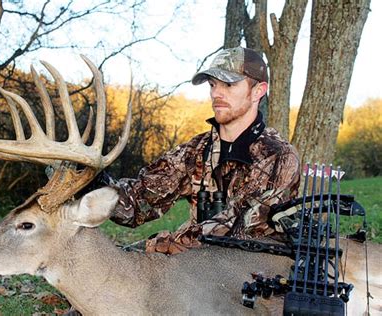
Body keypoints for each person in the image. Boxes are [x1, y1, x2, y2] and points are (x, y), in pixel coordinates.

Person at [108, 46, 300, 255]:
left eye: (228, 84)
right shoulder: (197, 150)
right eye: (212, 84)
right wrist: (94, 186)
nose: (216, 93)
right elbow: (139, 201)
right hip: (194, 272)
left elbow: (235, 231)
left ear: (258, 91)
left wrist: (153, 247)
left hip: (251, 277)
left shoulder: (279, 156)